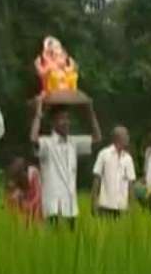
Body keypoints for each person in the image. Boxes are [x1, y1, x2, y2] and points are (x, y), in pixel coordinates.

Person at [30, 98, 102, 229]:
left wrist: (90, 112)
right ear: (53, 123)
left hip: (70, 204)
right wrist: (38, 113)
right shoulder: (47, 143)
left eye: (68, 118)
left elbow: (97, 138)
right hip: (53, 204)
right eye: (62, 118)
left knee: (69, 242)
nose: (66, 122)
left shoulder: (73, 142)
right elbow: (33, 139)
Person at [91, 126, 136, 219]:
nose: (128, 137)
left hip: (122, 207)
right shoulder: (104, 154)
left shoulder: (128, 158)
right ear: (117, 138)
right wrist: (94, 202)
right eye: (126, 135)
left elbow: (130, 183)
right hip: (105, 206)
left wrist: (132, 206)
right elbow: (97, 178)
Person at [5, 156, 42, 223]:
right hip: (24, 205)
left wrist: (29, 205)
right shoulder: (14, 180)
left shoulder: (33, 174)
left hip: (36, 205)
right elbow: (9, 199)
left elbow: (38, 195)